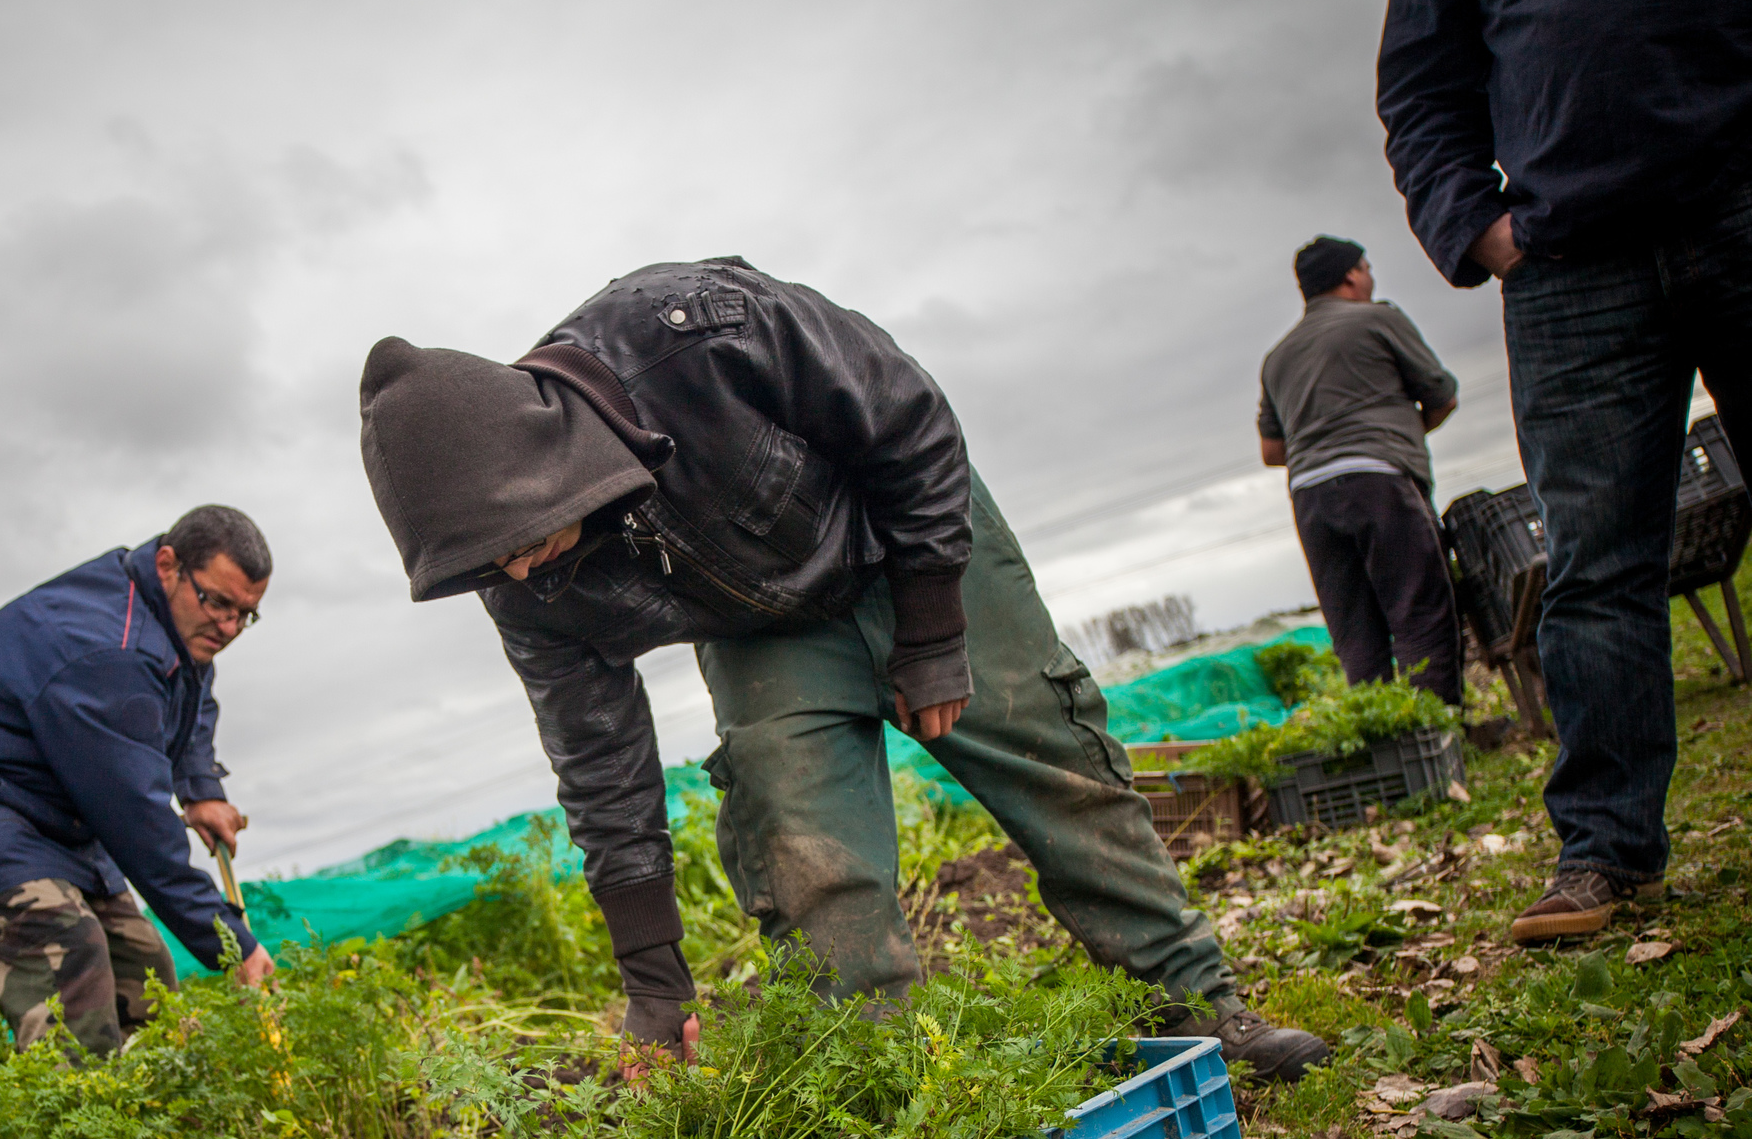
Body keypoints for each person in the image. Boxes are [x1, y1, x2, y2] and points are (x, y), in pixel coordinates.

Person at [356, 257, 1329, 1080]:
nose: (517, 570)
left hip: (907, 542)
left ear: (541, 460)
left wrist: (933, 634)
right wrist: (653, 980)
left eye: (514, 541)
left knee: (1054, 758)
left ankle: (1200, 1011)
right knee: (802, 851)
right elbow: (599, 766)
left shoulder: (692, 332)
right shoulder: (523, 584)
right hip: (761, 629)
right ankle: (894, 1092)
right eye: (488, 565)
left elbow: (908, 420)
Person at [1379, 0, 1752, 944]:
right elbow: (1421, 84)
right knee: (1593, 557)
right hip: (1570, 261)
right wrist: (1476, 226)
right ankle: (1607, 848)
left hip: (1735, 193)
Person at [0, 504, 274, 1054]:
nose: (228, 629)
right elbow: (139, 826)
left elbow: (193, 689)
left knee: (142, 963)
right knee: (68, 947)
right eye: (218, 603)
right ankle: (58, 1119)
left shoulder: (175, 621)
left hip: (48, 785)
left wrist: (201, 786)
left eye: (245, 614)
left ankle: (140, 1109)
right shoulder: (109, 653)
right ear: (167, 564)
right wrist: (233, 945)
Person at [1258, 236, 1463, 703]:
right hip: (1378, 479)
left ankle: (1387, 749)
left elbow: (1272, 450)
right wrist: (1395, 435)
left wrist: (1323, 445)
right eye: (1366, 268)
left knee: (1355, 632)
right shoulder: (1378, 318)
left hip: (1309, 495)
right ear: (1351, 274)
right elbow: (1442, 395)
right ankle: (1437, 734)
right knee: (1419, 613)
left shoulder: (1277, 358)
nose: (1370, 277)